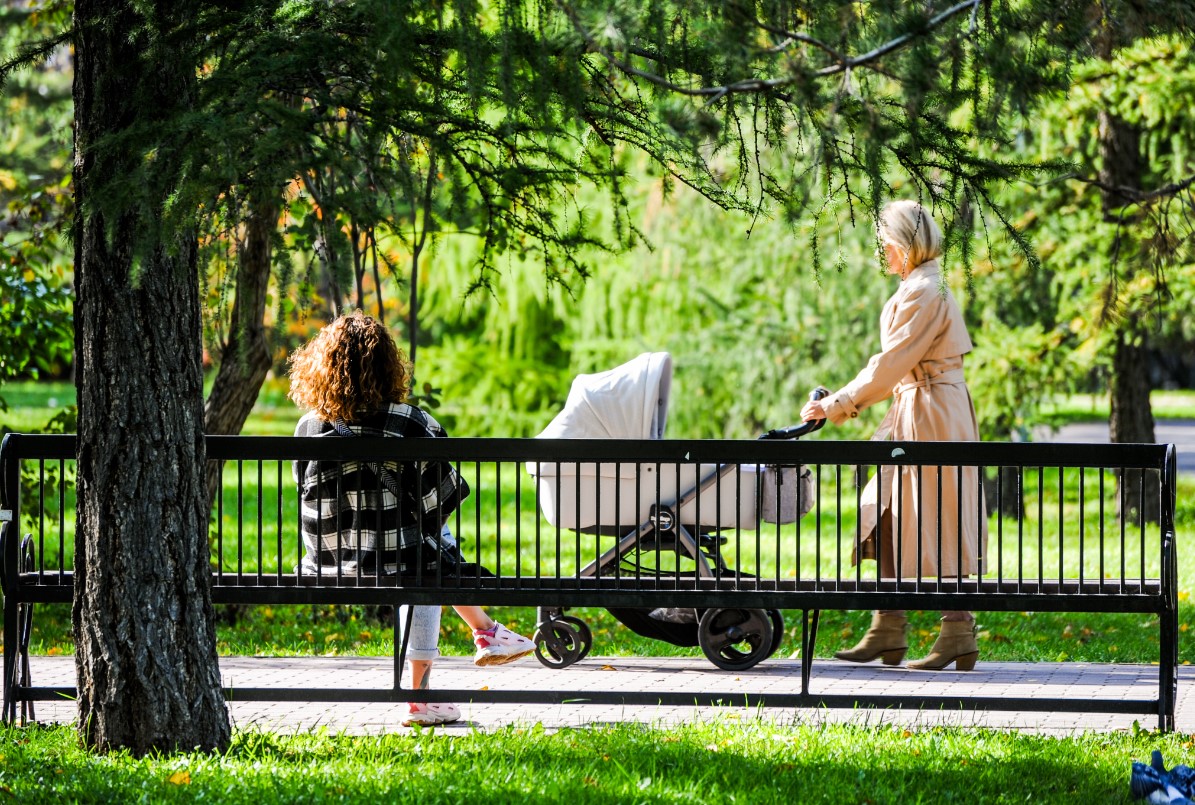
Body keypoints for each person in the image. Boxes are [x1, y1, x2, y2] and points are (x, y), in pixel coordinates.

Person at [288, 311, 536, 725]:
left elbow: (308, 502)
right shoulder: (411, 423)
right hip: (404, 560)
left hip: (331, 562)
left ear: (321, 367)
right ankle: (433, 684)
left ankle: (486, 634)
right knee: (429, 552)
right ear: (389, 365)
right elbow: (442, 501)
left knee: (424, 551)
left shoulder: (308, 427)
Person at [800, 200, 988, 671]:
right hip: (919, 409)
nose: (882, 251)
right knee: (886, 511)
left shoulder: (926, 288)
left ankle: (957, 631)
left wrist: (837, 404)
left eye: (886, 242)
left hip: (932, 416)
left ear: (906, 245)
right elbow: (894, 368)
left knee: (940, 515)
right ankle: (888, 626)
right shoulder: (919, 284)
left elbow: (892, 363)